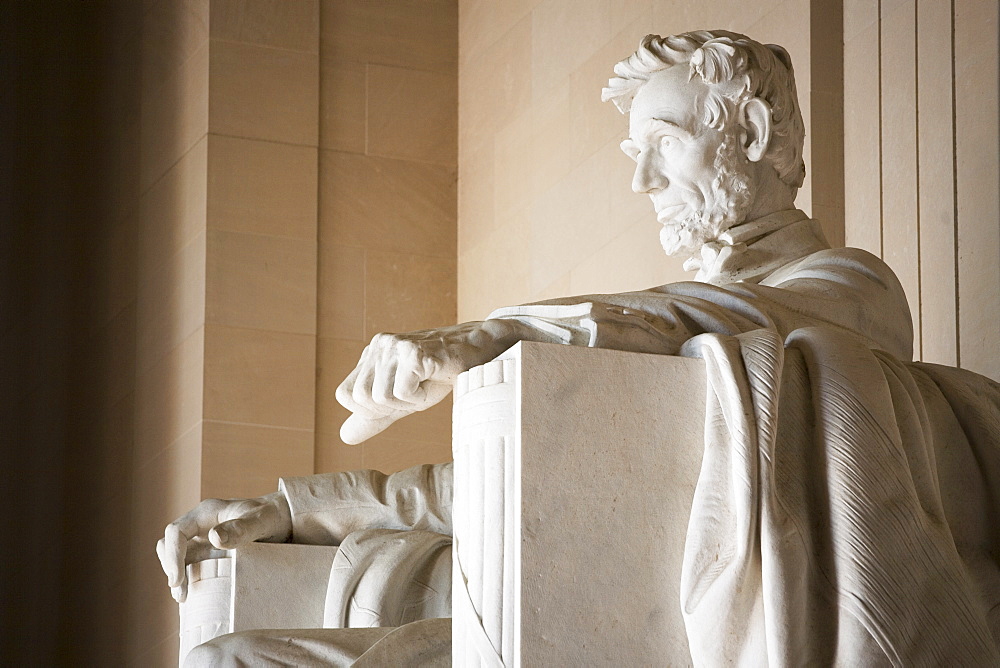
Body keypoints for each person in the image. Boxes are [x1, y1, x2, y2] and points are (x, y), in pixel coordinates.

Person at [163, 30, 1000, 666]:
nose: (641, 184)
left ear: (745, 129)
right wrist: (294, 510)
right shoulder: (664, 333)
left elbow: (720, 313)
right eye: (635, 156)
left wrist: (499, 332)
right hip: (551, 601)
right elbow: (482, 485)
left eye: (662, 144)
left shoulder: (844, 287)